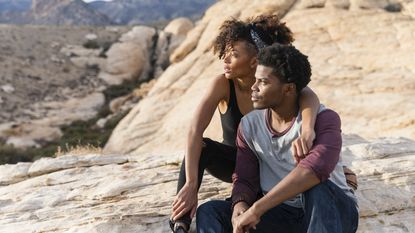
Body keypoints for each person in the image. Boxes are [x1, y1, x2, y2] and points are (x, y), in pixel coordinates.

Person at [170, 15, 356, 233]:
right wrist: (239, 201)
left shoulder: (320, 115)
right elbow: (242, 174)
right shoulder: (248, 121)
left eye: (234, 54)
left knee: (318, 187)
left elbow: (312, 168)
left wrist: (307, 131)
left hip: (319, 205)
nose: (254, 89)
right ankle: (180, 219)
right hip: (259, 180)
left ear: (254, 61)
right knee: (210, 210)